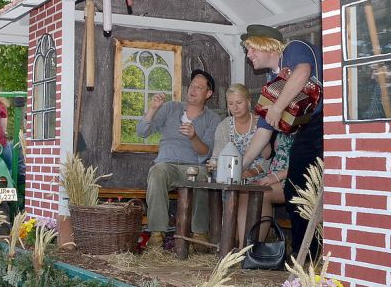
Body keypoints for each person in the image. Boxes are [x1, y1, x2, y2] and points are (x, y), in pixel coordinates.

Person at [239, 25, 323, 259]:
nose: (249, 56)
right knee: (295, 186)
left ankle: (307, 253)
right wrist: (241, 165)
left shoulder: (295, 49)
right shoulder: (272, 80)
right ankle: (304, 252)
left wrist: (277, 107)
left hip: (329, 120)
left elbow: (303, 72)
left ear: (268, 45)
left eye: (252, 49)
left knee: (299, 183)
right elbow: (264, 129)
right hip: (311, 127)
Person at [137, 69, 221, 249]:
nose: (193, 90)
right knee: (157, 171)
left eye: (199, 87)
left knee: (203, 175)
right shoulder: (171, 108)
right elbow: (142, 132)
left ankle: (199, 234)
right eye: (192, 86)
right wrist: (152, 109)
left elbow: (205, 152)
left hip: (193, 166)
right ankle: (157, 234)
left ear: (208, 94)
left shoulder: (212, 119)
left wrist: (193, 137)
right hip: (167, 164)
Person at [206, 85, 269, 248]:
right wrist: (213, 164)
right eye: (231, 103)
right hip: (232, 177)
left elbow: (269, 159)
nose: (235, 107)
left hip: (258, 174)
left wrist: (251, 171)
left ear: (248, 102)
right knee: (233, 189)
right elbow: (217, 157)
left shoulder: (260, 125)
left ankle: (244, 246)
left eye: (239, 102)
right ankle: (232, 242)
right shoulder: (224, 126)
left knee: (246, 194)